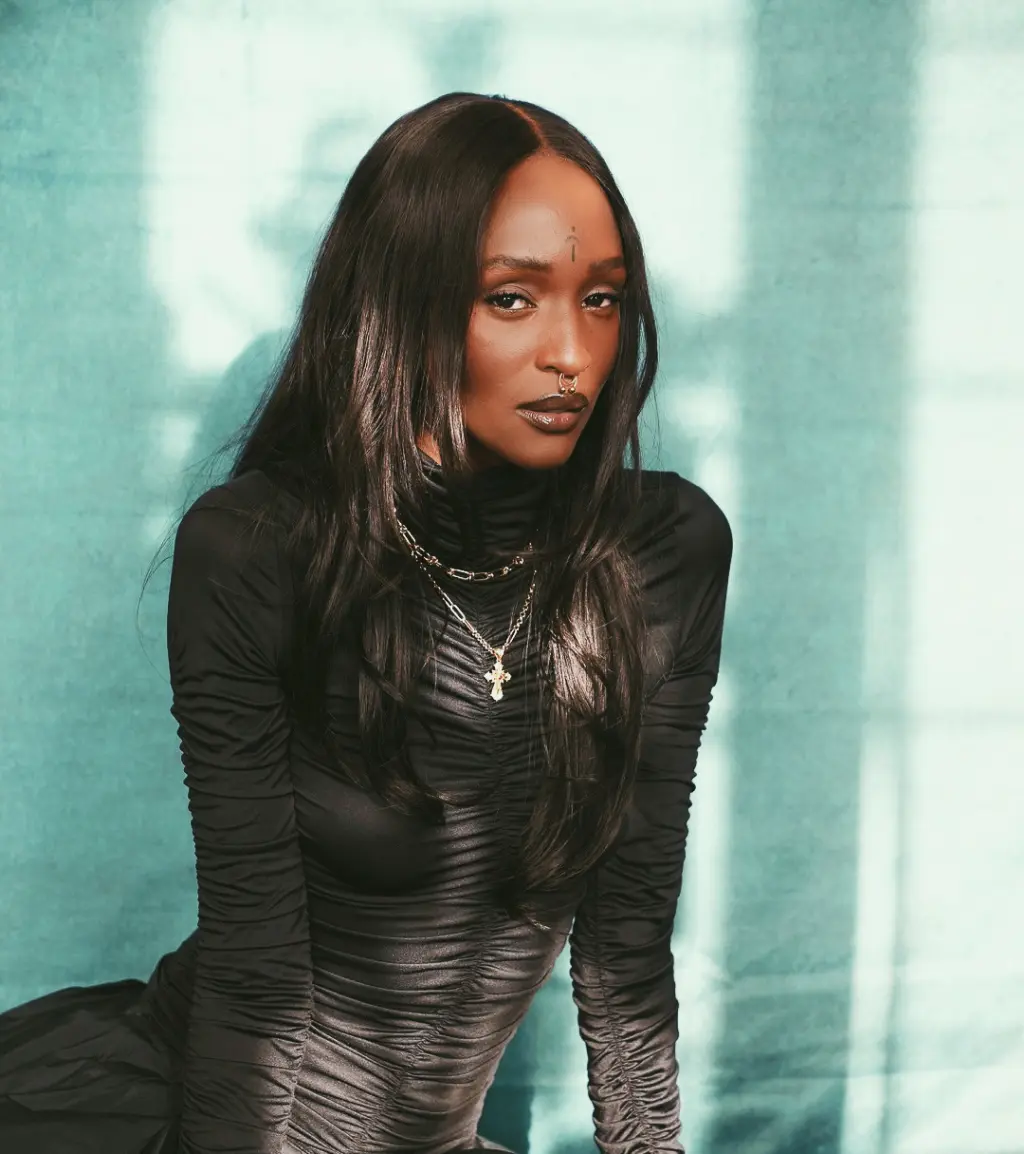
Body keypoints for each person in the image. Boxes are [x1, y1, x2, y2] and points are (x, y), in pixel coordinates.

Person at [0, 91, 733, 1154]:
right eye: (512, 299)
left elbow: (626, 951)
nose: (573, 352)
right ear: (404, 302)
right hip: (215, 1115)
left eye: (603, 299)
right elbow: (254, 975)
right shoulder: (258, 549)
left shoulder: (667, 551)